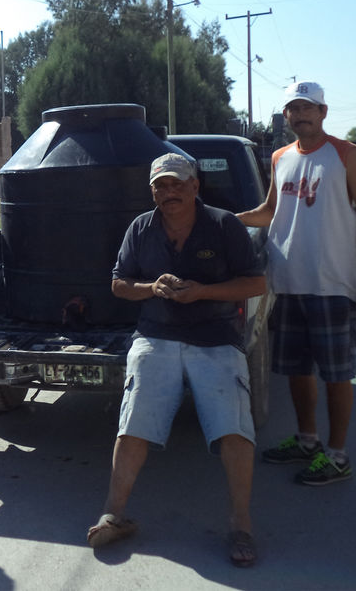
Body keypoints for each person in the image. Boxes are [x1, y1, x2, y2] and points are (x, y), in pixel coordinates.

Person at [87, 153, 265, 568]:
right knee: (133, 421)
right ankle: (114, 513)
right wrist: (152, 287)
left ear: (195, 186)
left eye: (177, 184)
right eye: (160, 186)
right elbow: (118, 284)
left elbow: (256, 282)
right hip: (157, 336)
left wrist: (203, 292)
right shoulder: (140, 227)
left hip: (215, 338)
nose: (169, 193)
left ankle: (241, 524)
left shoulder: (224, 224)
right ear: (152, 192)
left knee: (234, 428)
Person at [237, 81, 356, 486]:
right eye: (294, 109)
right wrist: (226, 219)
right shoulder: (280, 157)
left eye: (308, 108)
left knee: (337, 374)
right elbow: (270, 210)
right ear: (286, 115)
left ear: (323, 112)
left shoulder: (346, 154)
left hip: (334, 284)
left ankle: (337, 456)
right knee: (297, 371)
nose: (300, 115)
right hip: (287, 283)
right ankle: (307, 441)